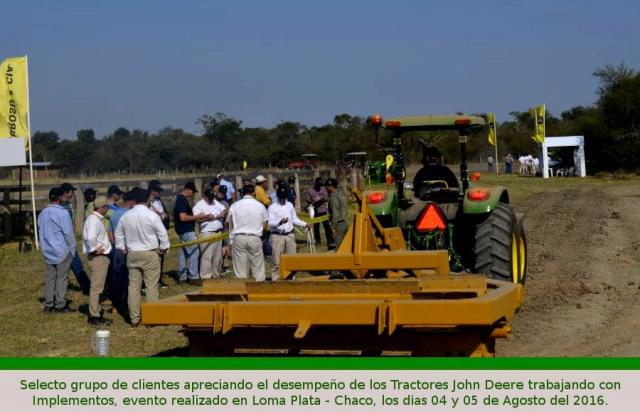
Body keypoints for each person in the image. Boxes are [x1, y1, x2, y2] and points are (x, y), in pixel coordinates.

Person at [114, 187, 170, 327]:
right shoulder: (151, 215)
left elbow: (118, 234)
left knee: (133, 287)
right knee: (151, 286)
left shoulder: (126, 216)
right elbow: (162, 234)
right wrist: (163, 248)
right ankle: (152, 318)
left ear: (134, 200)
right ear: (146, 199)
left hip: (132, 254)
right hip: (150, 253)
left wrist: (122, 247)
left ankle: (134, 318)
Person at [38, 187, 77, 313]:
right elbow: (68, 234)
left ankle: (49, 304)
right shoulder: (62, 213)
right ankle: (60, 304)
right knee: (62, 278)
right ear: (60, 198)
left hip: (48, 250)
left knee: (50, 278)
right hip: (61, 251)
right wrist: (73, 249)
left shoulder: (43, 213)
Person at [227, 184, 268, 281]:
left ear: (242, 193)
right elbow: (265, 223)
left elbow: (230, 224)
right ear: (253, 193)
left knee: (240, 269)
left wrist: (231, 239)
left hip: (239, 237)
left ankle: (242, 291)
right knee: (258, 267)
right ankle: (259, 288)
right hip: (254, 236)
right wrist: (260, 234)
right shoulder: (260, 205)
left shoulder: (235, 205)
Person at [82, 196, 113, 326]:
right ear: (102, 208)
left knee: (98, 286)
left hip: (100, 257)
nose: (108, 209)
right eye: (106, 206)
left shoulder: (93, 219)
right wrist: (95, 250)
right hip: (98, 258)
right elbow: (90, 238)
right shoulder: (94, 220)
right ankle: (94, 315)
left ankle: (96, 311)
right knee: (96, 288)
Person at [268, 186, 307, 280]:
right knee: (276, 261)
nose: (283, 199)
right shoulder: (272, 207)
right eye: (281, 197)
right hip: (277, 236)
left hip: (289, 235)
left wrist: (305, 224)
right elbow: (270, 222)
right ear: (277, 196)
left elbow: (294, 219)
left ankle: (291, 278)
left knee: (292, 259)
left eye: (284, 197)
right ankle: (276, 279)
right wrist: (279, 223)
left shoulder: (289, 205)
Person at [59, 182, 91, 295]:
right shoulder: (61, 207)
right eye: (71, 191)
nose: (72, 193)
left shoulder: (67, 204)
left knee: (69, 264)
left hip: (68, 238)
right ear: (65, 192)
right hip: (65, 240)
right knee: (75, 263)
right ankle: (87, 287)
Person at [173, 181, 205, 284]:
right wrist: (197, 216)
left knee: (183, 253)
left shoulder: (179, 199)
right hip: (186, 230)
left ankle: (182, 277)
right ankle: (194, 276)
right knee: (195, 251)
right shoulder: (182, 199)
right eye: (192, 192)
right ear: (189, 190)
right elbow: (183, 217)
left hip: (182, 230)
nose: (192, 194)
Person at [109, 190, 135, 311]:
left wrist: (115, 245)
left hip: (117, 249)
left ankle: (115, 303)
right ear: (130, 201)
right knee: (128, 278)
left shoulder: (114, 213)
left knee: (116, 276)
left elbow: (110, 233)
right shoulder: (131, 215)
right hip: (129, 249)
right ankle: (125, 303)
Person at [193, 189, 228, 279]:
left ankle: (216, 275)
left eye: (212, 197)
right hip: (207, 233)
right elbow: (197, 219)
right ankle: (206, 276)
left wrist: (222, 213)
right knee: (206, 256)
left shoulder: (215, 202)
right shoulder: (199, 205)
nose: (211, 200)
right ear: (204, 196)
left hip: (218, 232)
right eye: (209, 198)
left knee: (217, 257)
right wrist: (206, 218)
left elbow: (224, 209)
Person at [148, 180, 170, 288]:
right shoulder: (146, 202)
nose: (159, 193)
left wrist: (164, 216)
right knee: (151, 258)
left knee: (161, 256)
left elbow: (164, 214)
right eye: (157, 190)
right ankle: (150, 281)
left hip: (160, 232)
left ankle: (159, 279)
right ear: (152, 191)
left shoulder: (159, 201)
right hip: (150, 233)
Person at [305, 177, 333, 247]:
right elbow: (308, 201)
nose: (319, 187)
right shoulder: (310, 190)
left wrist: (322, 199)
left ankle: (329, 241)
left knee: (327, 226)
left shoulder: (323, 189)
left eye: (320, 185)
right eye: (318, 185)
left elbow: (326, 199)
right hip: (315, 211)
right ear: (315, 184)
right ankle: (318, 241)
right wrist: (313, 201)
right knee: (316, 227)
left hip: (323, 210)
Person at [326, 178, 348, 249]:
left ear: (331, 186)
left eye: (327, 186)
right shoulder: (341, 194)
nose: (326, 187)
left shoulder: (333, 197)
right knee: (345, 248)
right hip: (344, 223)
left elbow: (334, 214)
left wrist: (332, 229)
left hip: (338, 225)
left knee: (335, 249)